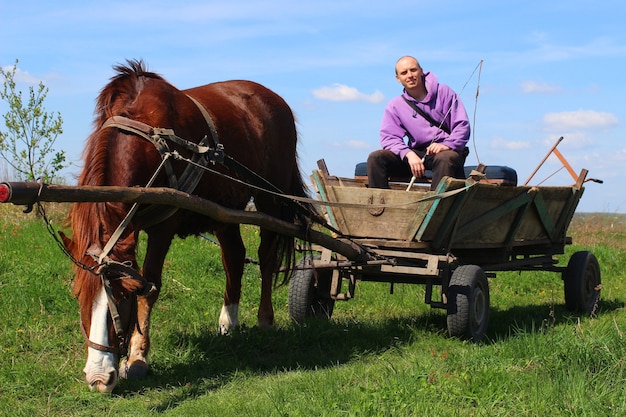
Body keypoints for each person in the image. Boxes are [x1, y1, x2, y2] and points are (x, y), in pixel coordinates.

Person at [367, 56, 470, 190]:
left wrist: (446, 145)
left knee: (444, 159)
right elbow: (389, 138)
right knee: (376, 157)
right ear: (398, 78)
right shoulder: (395, 105)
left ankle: (433, 208)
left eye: (413, 70)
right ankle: (378, 207)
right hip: (416, 154)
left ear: (421, 71)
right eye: (404, 73)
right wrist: (408, 154)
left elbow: (462, 126)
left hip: (446, 152)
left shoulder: (444, 92)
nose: (409, 75)